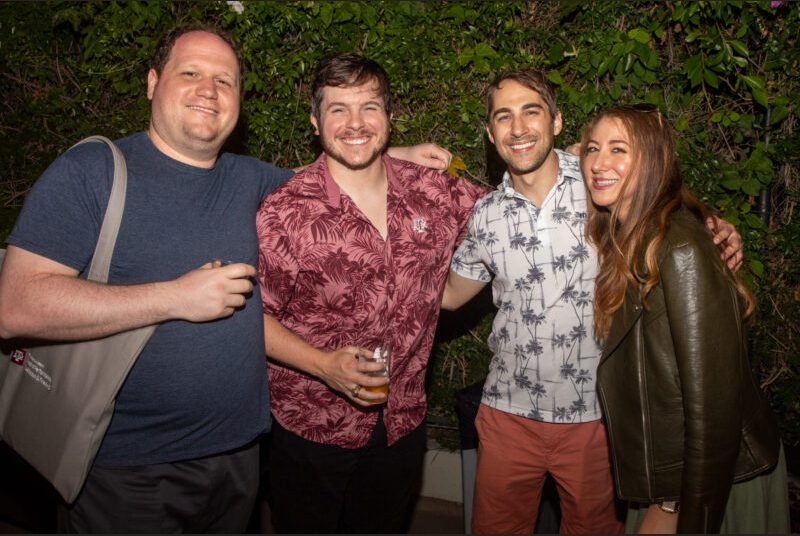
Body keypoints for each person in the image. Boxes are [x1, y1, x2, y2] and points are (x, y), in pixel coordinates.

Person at [0, 24, 449, 533]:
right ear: (152, 83)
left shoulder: (250, 179)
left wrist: (395, 157)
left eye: (225, 80)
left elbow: (336, 171)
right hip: (127, 465)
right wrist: (172, 297)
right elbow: (14, 306)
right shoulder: (93, 171)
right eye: (189, 72)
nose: (208, 90)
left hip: (239, 455)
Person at [441, 70, 744, 534]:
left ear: (557, 121)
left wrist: (710, 223)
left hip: (597, 415)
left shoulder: (598, 182)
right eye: (504, 117)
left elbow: (659, 197)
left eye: (531, 112)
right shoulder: (485, 215)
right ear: (490, 133)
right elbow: (449, 295)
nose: (518, 129)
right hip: (507, 413)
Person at [256, 52, 488, 533]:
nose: (356, 123)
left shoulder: (434, 191)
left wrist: (572, 160)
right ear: (315, 121)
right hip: (311, 426)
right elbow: (251, 320)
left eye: (370, 107)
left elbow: (510, 212)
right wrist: (323, 365)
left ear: (389, 116)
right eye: (338, 109)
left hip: (402, 423)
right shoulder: (283, 212)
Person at [581, 104, 789, 534]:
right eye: (592, 150)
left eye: (619, 149)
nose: (599, 163)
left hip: (711, 482)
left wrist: (678, 508)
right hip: (672, 475)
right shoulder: (631, 236)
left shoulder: (678, 249)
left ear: (653, 160)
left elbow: (714, 405)